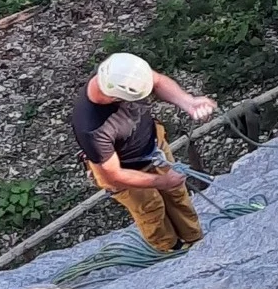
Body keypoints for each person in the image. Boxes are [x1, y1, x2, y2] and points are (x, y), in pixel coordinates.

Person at [71, 52, 217, 253]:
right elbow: (114, 175)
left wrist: (188, 102)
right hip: (124, 170)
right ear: (115, 97)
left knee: (177, 194)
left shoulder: (120, 72)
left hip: (153, 147)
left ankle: (195, 238)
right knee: (151, 209)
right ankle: (170, 249)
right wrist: (161, 181)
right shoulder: (92, 128)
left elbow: (157, 81)